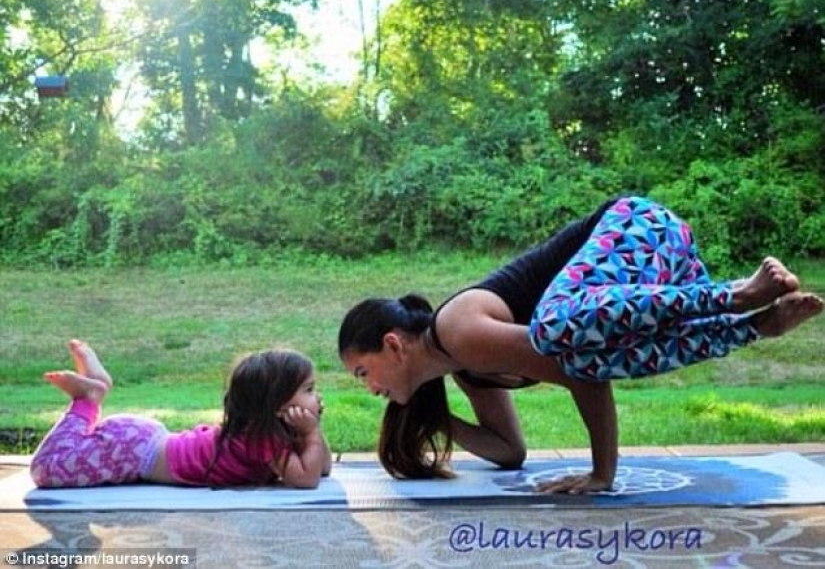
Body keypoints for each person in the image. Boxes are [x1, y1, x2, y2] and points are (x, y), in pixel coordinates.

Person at [338, 195, 823, 494]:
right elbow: (509, 451)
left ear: (394, 345)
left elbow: (579, 376)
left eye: (363, 372)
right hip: (653, 281)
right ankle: (755, 325)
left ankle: (736, 295)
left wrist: (601, 473)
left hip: (639, 228)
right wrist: (437, 418)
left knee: (556, 333)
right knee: (610, 350)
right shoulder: (465, 367)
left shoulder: (460, 331)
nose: (369, 388)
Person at [30, 340, 332, 490]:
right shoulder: (262, 438)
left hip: (144, 439)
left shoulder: (267, 431)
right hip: (134, 452)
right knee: (46, 471)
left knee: (64, 460)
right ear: (276, 404)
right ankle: (87, 401)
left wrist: (310, 431)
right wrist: (311, 433)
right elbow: (306, 479)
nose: (317, 396)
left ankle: (95, 386)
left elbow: (322, 467)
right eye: (309, 389)